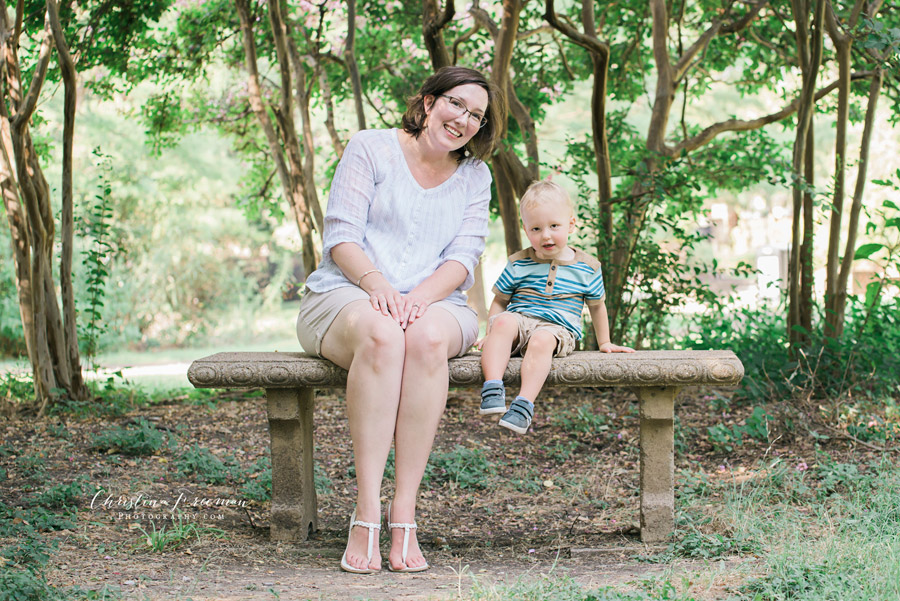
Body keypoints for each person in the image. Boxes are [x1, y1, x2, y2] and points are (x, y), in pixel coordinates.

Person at [295, 66, 503, 574]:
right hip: (348, 293)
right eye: (457, 104)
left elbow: (464, 258)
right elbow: (341, 237)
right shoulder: (370, 147)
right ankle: (366, 511)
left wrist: (420, 299)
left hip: (438, 303)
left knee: (428, 338)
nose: (464, 119)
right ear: (429, 102)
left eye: (477, 115)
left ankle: (403, 512)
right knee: (384, 334)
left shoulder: (477, 177)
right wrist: (381, 288)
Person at [476, 180, 634, 434]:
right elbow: (500, 301)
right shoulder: (519, 263)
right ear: (526, 230)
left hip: (558, 329)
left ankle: (523, 405)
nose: (545, 235)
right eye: (536, 228)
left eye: (554, 226)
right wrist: (491, 333)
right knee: (504, 321)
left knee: (541, 339)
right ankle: (493, 387)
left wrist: (604, 342)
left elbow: (597, 306)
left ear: (571, 224)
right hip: (520, 322)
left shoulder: (588, 267)